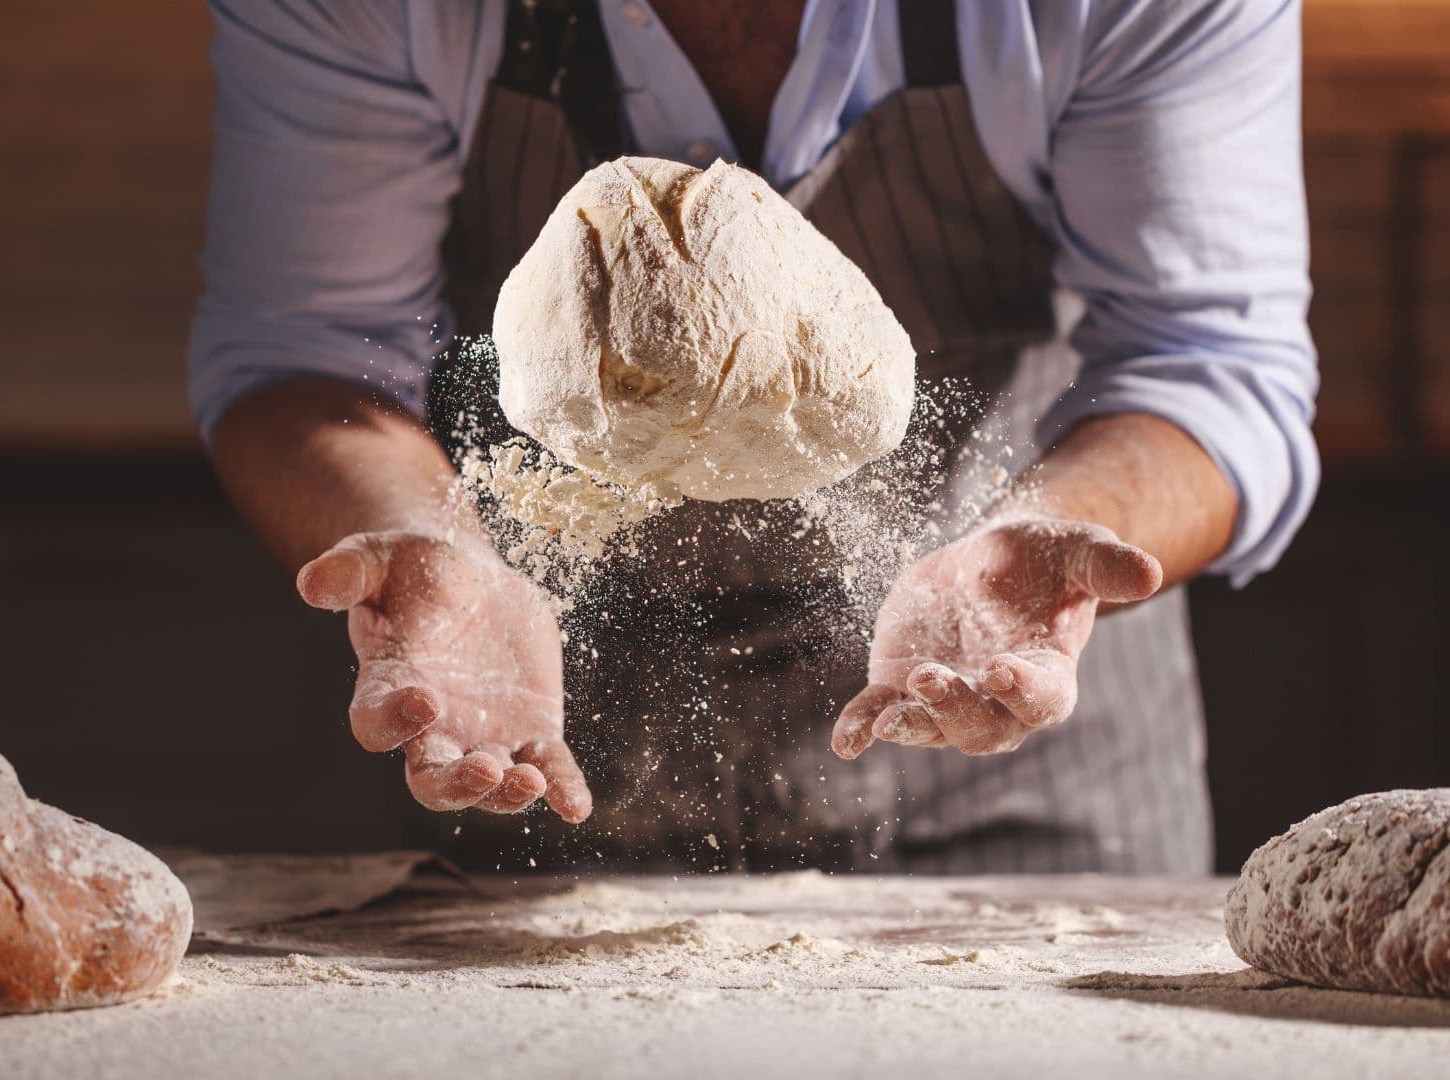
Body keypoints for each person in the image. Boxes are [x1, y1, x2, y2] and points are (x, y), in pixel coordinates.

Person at [190, 0, 1318, 874]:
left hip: (1008, 760)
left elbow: (1208, 364)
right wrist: (419, 533)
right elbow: (308, 355)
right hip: (539, 763)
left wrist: (1051, 534)